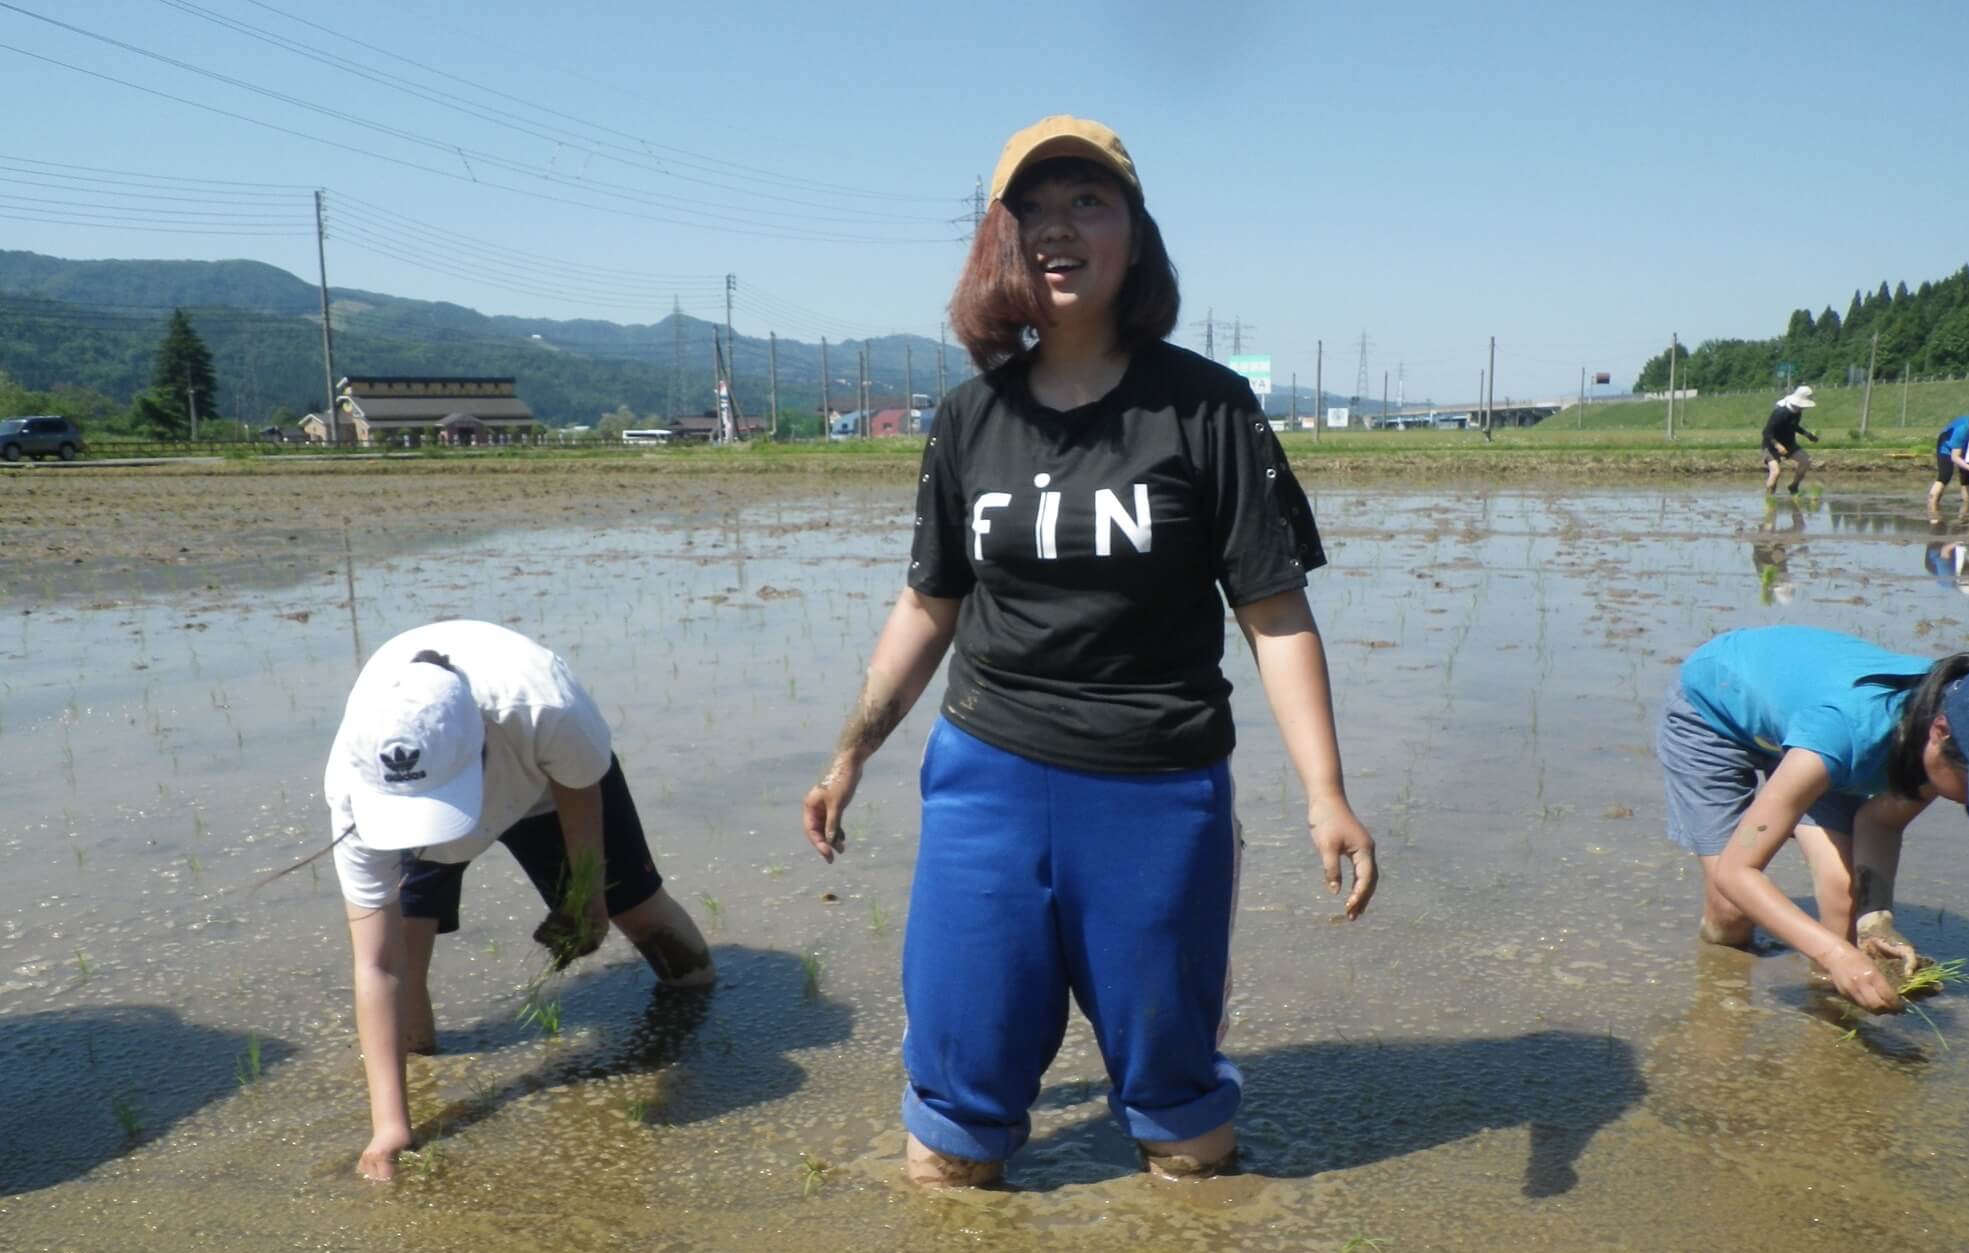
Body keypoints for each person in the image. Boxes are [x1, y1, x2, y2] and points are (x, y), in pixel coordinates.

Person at [800, 116, 1377, 1188]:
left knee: (1185, 1141)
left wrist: (1325, 792)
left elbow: (1273, 610)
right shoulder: (969, 418)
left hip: (1156, 791)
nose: (1059, 228)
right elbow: (928, 603)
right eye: (1033, 208)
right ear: (1001, 243)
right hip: (986, 780)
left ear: (1133, 236)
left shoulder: (1206, 408)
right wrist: (849, 753)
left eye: (1088, 202)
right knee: (947, 1142)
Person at [324, 620, 713, 1181]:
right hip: (409, 800)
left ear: (481, 741)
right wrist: (390, 1129)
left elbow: (580, 789)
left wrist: (588, 898)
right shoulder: (358, 789)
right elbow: (376, 964)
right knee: (406, 992)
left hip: (544, 784)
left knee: (643, 916)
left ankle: (695, 1014)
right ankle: (407, 1085)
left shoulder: (544, 708)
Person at [1656, 624, 1969, 1013]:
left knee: (1845, 900)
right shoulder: (1849, 732)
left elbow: (1880, 822)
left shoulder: (1958, 724)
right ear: (1939, 733)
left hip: (1809, 728)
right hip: (1715, 705)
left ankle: (1827, 1010)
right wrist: (1837, 956)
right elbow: (1737, 872)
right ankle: (1717, 1002)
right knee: (1732, 916)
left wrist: (1876, 923)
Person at [1761, 385, 1818, 498]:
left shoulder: (1797, 412)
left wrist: (1807, 434)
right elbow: (1766, 432)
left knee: (1806, 461)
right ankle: (1768, 499)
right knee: (1776, 472)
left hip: (1789, 443)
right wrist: (1777, 445)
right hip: (1771, 445)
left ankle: (1793, 486)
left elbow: (1793, 426)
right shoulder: (1780, 413)